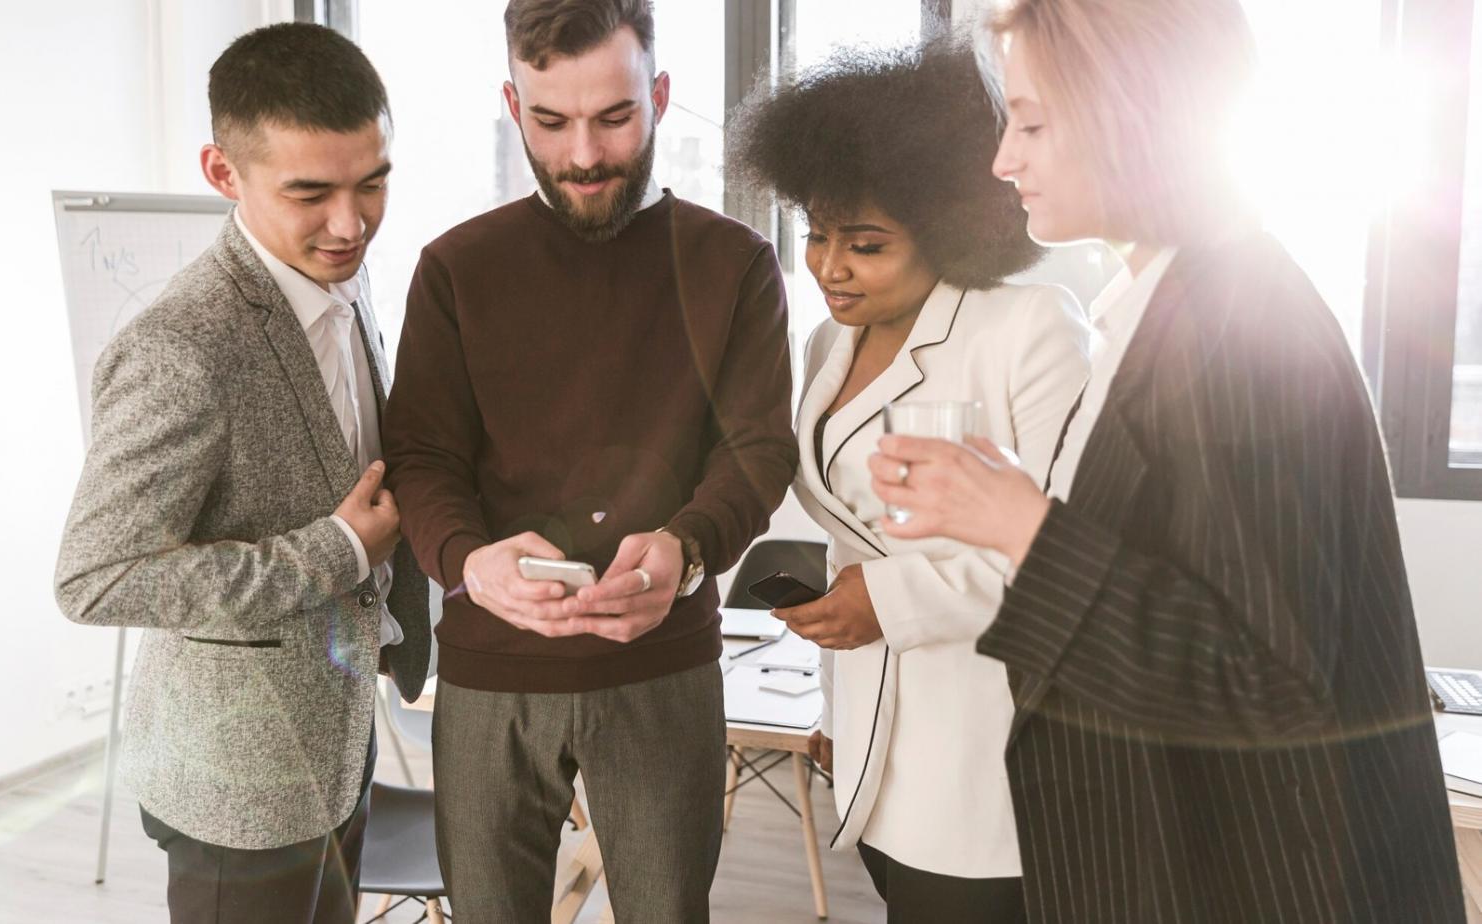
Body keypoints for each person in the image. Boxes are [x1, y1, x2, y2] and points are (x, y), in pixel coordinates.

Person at [868, 1, 1466, 920]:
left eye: (1030, 122)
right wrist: (1014, 505)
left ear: (1130, 108)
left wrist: (1018, 525)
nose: (1003, 159)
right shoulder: (1165, 301)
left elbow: (1262, 681)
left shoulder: (1234, 323)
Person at [380, 1, 797, 919]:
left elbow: (756, 450)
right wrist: (467, 561)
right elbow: (421, 456)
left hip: (663, 666)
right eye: (549, 121)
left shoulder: (736, 265)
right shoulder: (455, 269)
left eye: (613, 118)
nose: (582, 156)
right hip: (490, 672)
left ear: (658, 94)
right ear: (510, 101)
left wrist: (687, 547)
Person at [53, 22, 431, 923]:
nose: (351, 223)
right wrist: (336, 549)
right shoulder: (181, 347)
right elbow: (94, 579)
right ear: (224, 175)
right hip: (235, 781)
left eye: (371, 182)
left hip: (338, 742)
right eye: (310, 193)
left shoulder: (347, 276)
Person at [727, 36, 1088, 923]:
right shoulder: (826, 344)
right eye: (815, 234)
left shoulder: (1028, 332)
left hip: (987, 754)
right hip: (871, 740)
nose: (828, 267)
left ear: (952, 228)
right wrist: (841, 709)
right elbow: (857, 534)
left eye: (867, 244)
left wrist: (883, 604)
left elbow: (1068, 560)